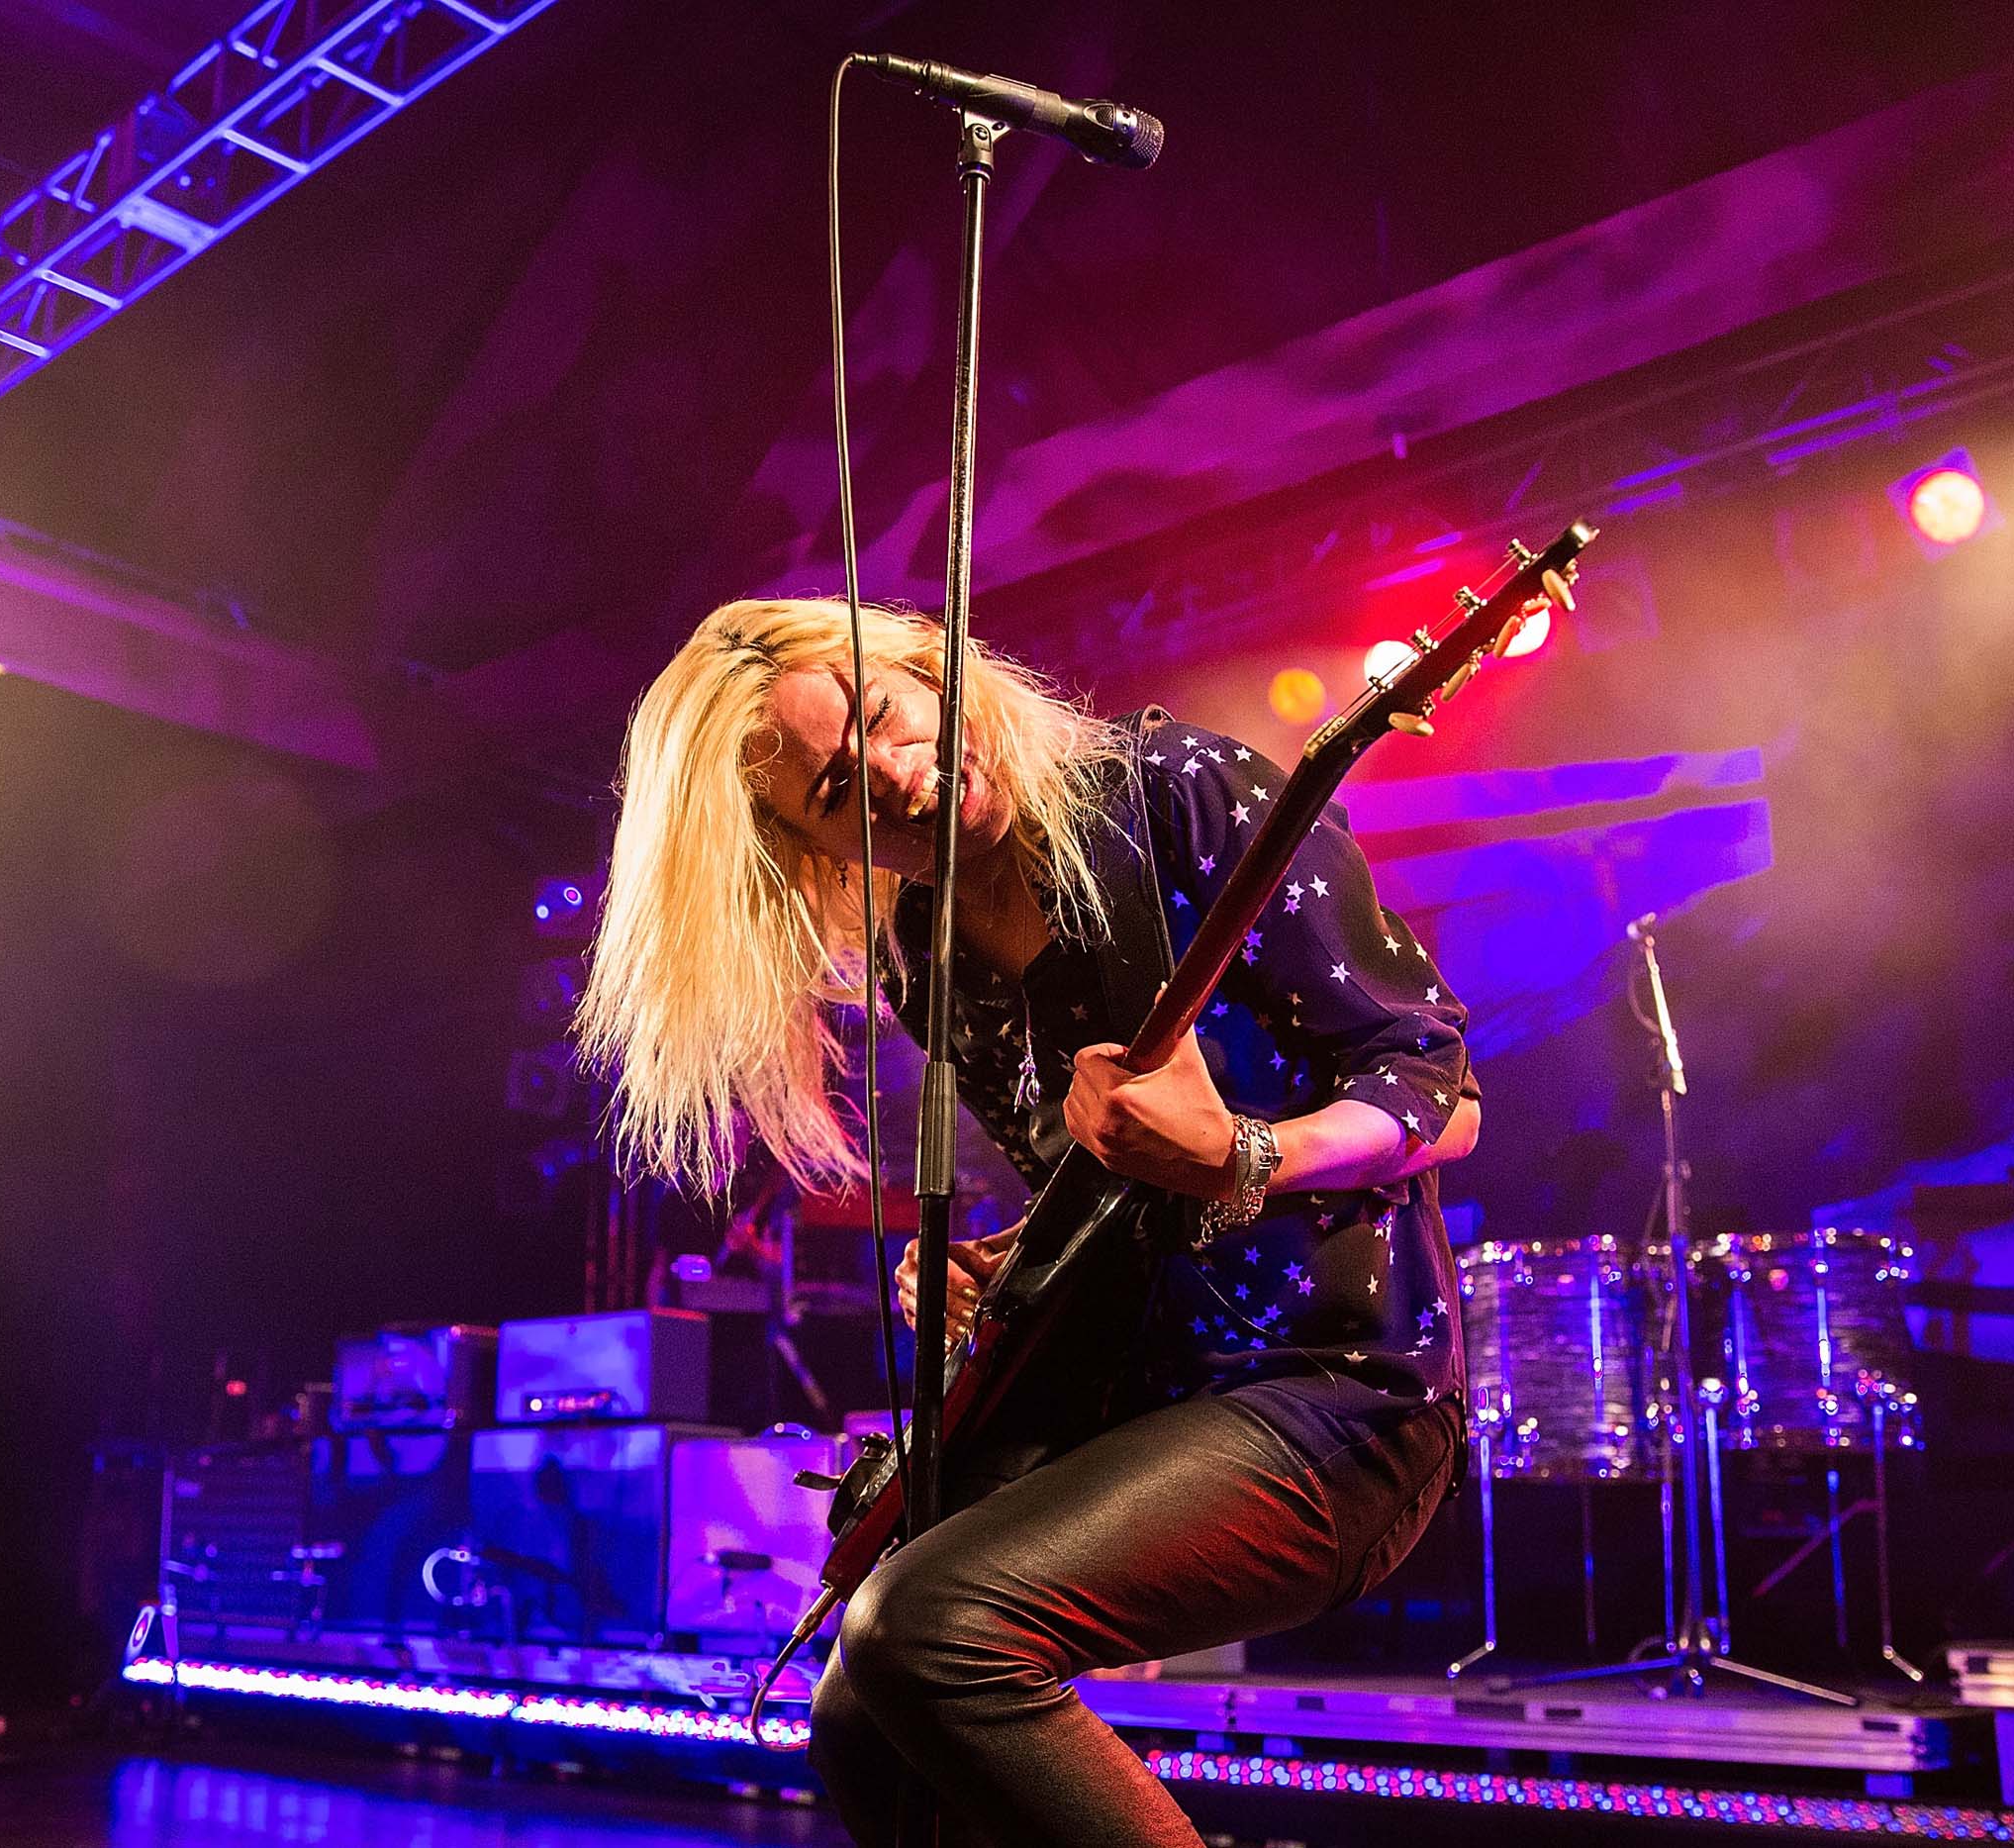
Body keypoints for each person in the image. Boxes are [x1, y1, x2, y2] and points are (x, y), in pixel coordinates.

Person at [576, 596, 1481, 1848]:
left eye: (888, 717)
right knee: (857, 1711)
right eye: (839, 788)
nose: (901, 776)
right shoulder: (920, 949)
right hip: (1142, 1407)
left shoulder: (1173, 791)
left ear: (926, 671)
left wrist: (1247, 1154)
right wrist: (982, 1269)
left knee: (930, 1627)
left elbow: (1438, 1090)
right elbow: (1099, 1194)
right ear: (801, 845)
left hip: (1340, 1394)